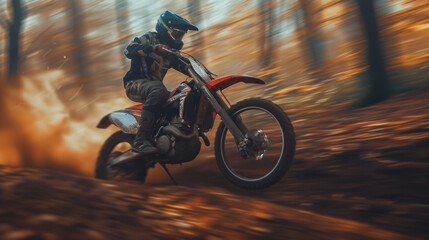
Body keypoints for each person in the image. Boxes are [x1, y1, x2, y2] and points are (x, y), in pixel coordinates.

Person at [123, 10, 198, 156]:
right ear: (166, 29)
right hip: (134, 83)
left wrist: (202, 73)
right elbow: (128, 50)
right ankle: (140, 141)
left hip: (153, 89)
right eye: (177, 34)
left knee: (184, 93)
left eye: (181, 35)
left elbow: (185, 65)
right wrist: (152, 48)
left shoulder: (171, 53)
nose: (178, 38)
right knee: (159, 89)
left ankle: (167, 137)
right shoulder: (149, 38)